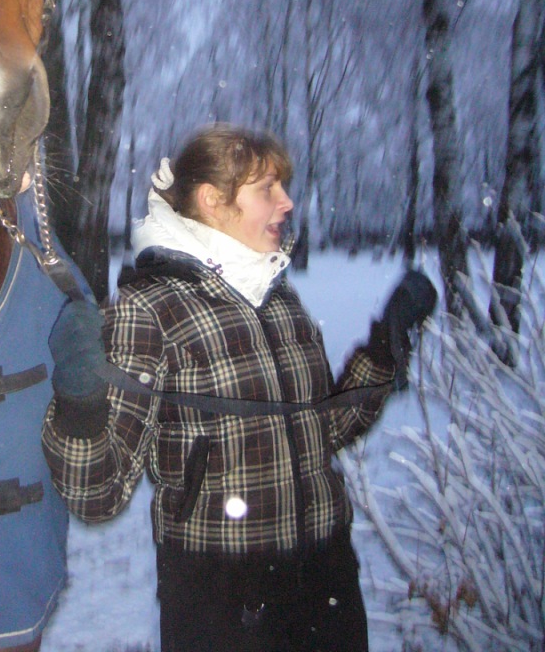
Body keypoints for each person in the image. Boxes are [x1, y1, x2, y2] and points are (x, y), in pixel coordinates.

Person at [43, 124, 436, 652]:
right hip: (222, 595)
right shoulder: (151, 308)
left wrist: (384, 347)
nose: (287, 202)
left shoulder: (279, 298)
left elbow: (323, 430)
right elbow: (97, 495)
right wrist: (80, 403)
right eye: (267, 188)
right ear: (212, 200)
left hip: (326, 576)